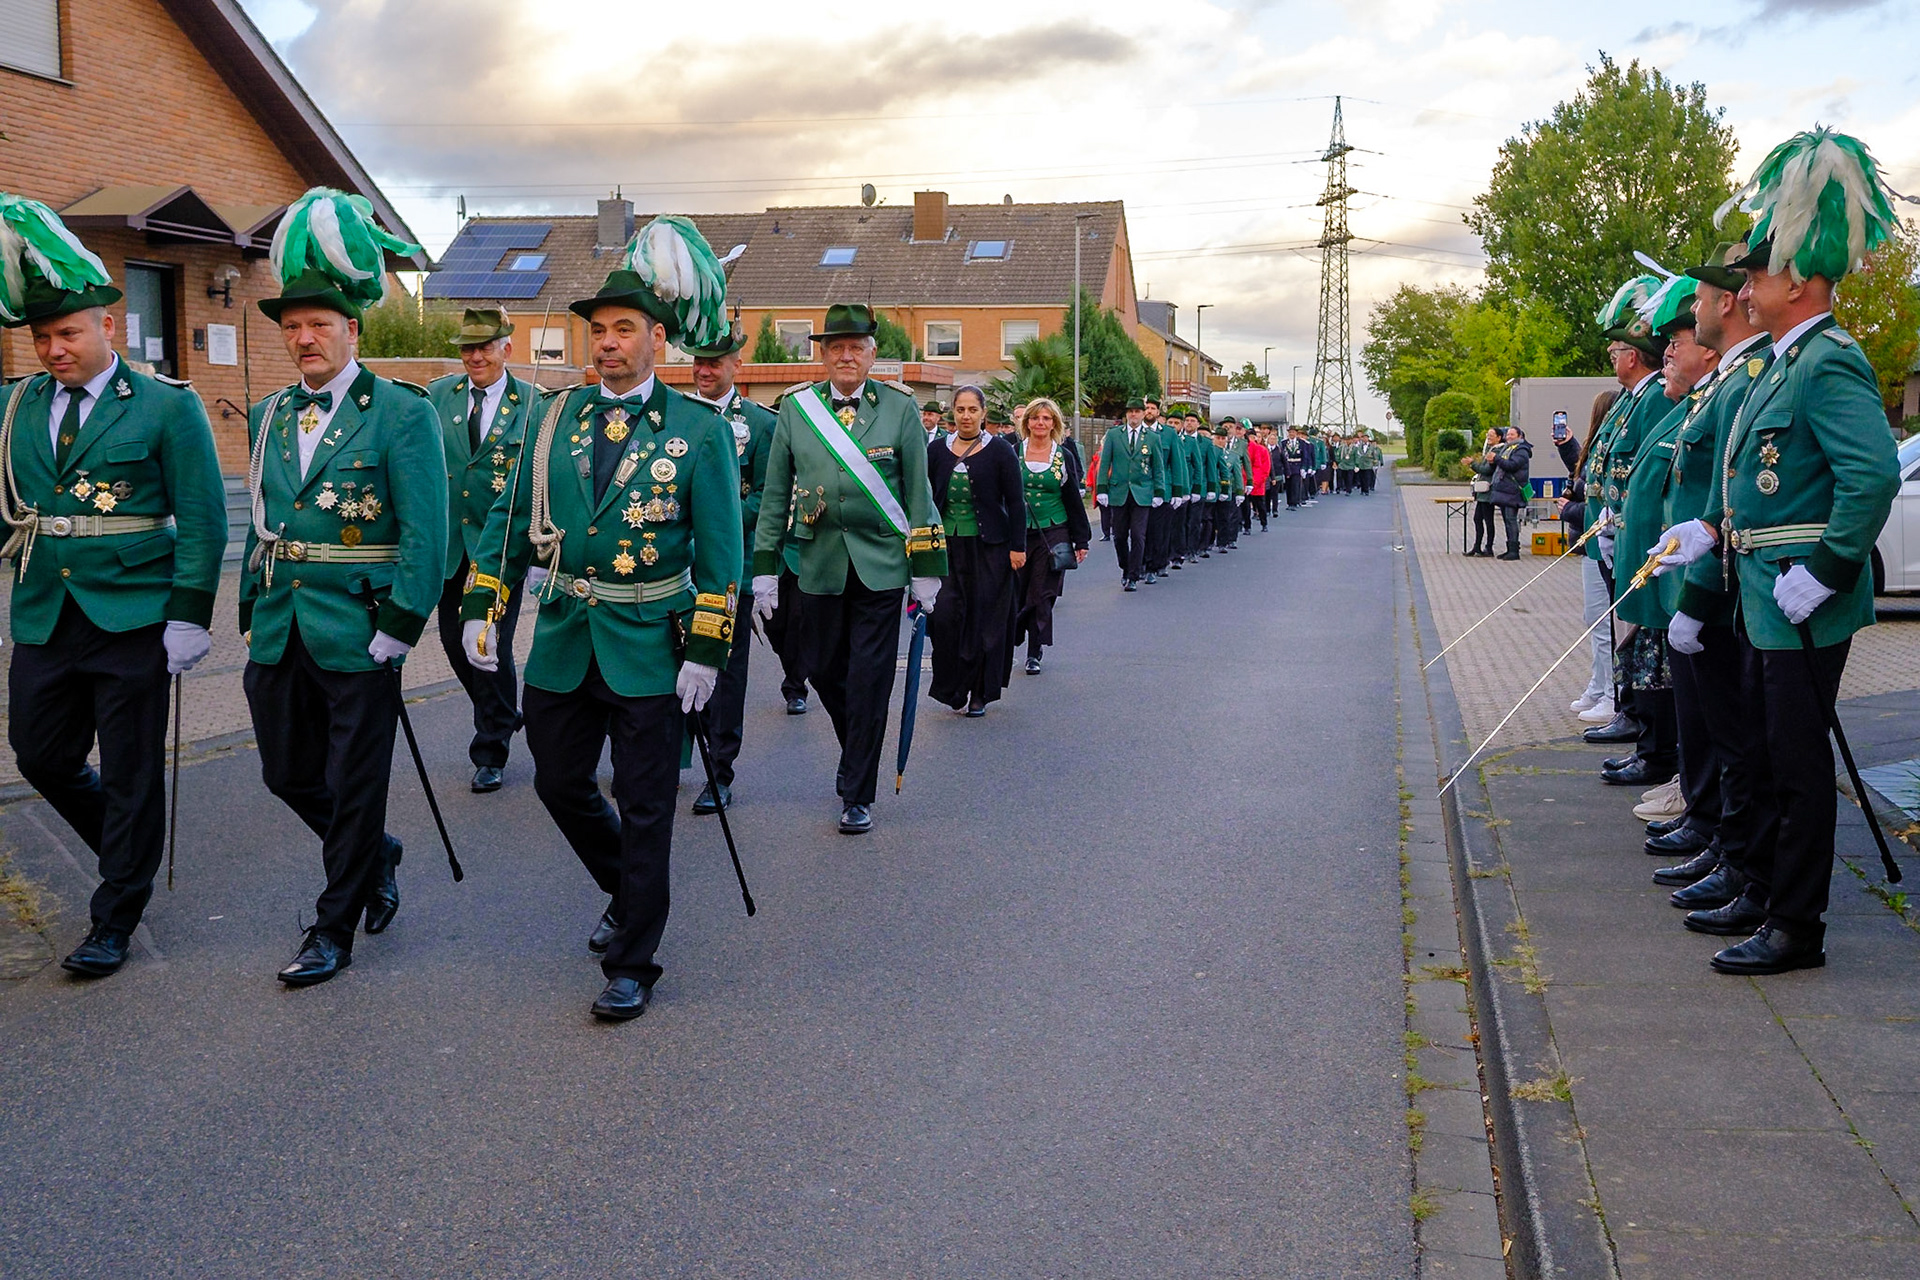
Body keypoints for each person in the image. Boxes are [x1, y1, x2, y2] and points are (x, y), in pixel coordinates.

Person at [462, 216, 741, 1020]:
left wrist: (709, 649)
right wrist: (486, 605)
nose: (609, 343)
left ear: (659, 338)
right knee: (556, 780)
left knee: (649, 801)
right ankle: (627, 886)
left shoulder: (698, 432)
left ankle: (633, 961)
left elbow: (721, 552)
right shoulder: (553, 419)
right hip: (563, 640)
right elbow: (510, 522)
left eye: (625, 330)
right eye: (600, 330)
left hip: (653, 645)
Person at [1655, 128, 1903, 974]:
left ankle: (1798, 925)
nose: (1746, 290)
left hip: (1802, 595)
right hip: (1765, 588)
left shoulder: (1827, 362)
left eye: (1757, 275)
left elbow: (1869, 479)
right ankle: (1764, 891)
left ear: (1796, 281)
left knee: (1796, 765)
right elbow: (1760, 486)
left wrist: (1829, 569)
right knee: (1765, 751)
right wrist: (1713, 531)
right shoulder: (1775, 368)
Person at [0, 195, 227, 979]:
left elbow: (202, 518)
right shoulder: (16, 407)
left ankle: (115, 913)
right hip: (44, 611)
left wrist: (191, 615)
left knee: (133, 770)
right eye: (41, 338)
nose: (52, 350)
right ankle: (127, 851)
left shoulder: (167, 405)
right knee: (38, 754)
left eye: (67, 334)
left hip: (134, 612)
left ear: (111, 326)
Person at [238, 189, 445, 987]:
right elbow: (262, 523)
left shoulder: (398, 412)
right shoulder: (268, 414)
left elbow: (429, 528)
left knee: (355, 785)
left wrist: (402, 621)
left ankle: (333, 929)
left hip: (362, 625)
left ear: (352, 329)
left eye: (319, 324)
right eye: (292, 326)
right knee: (286, 774)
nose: (303, 338)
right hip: (284, 622)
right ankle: (377, 854)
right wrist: (249, 611)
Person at [750, 303, 946, 835]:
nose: (845, 355)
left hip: (881, 564)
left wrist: (926, 566)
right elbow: (774, 496)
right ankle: (854, 751)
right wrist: (764, 567)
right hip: (817, 562)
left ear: (872, 354)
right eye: (835, 347)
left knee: (870, 679)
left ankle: (858, 789)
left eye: (855, 347)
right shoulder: (796, 409)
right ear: (822, 354)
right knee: (825, 673)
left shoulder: (901, 408)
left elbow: (918, 493)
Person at [1646, 242, 1772, 902]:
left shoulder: (1747, 380)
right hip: (1708, 582)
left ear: (1726, 303)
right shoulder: (1722, 388)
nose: (1678, 333)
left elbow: (1725, 498)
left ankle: (1734, 851)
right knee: (1718, 728)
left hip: (1725, 591)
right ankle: (1719, 838)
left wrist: (1697, 595)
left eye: (1692, 309)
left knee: (1738, 736)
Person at [428, 308, 534, 793]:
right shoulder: (436, 397)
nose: (475, 356)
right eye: (467, 348)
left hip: (501, 550)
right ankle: (505, 712)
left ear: (506, 349)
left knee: (490, 644)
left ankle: (490, 749)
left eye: (485, 347)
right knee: (455, 643)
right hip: (451, 547)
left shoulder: (533, 405)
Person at [682, 321, 776, 815]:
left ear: (737, 365)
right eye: (697, 361)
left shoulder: (761, 425)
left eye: (714, 362)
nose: (703, 370)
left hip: (729, 564)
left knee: (724, 667)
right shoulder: (674, 418)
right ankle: (666, 757)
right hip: (672, 563)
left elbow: (769, 495)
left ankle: (720, 771)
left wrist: (713, 511)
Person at [1579, 275, 1669, 750]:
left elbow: (1648, 473)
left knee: (1641, 632)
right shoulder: (1633, 400)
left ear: (1633, 354)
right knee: (1624, 626)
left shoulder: (1652, 398)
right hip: (1614, 532)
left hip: (1634, 535)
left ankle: (1638, 718)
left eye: (1615, 352)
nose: (1611, 360)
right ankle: (1629, 708)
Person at [927, 386, 1023, 716]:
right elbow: (925, 501)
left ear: (983, 413)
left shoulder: (1000, 451)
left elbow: (1014, 501)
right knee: (944, 618)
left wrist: (1017, 547)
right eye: (960, 410)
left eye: (972, 410)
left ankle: (981, 691)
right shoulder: (937, 451)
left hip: (989, 549)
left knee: (985, 621)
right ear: (952, 413)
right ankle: (952, 688)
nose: (966, 416)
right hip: (947, 548)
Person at [1011, 397, 1091, 674]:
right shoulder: (1013, 451)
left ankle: (1034, 650)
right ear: (1027, 422)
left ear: (1054, 423)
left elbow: (1073, 501)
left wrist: (1081, 541)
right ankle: (1018, 627)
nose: (1040, 423)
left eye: (1046, 418)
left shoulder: (1063, 456)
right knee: (1019, 591)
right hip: (1019, 534)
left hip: (1054, 530)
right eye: (1035, 418)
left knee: (1043, 593)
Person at [1563, 389, 1622, 723]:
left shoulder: (1608, 446)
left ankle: (1611, 693)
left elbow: (1598, 495)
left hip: (1604, 541)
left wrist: (1571, 509)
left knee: (1605, 623)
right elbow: (1584, 474)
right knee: (1595, 620)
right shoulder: (1596, 448)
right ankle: (1600, 685)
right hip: (1593, 544)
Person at [1095, 397, 1164, 591]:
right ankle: (1125, 567)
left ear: (1143, 414)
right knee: (1118, 535)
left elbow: (1157, 467)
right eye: (1130, 411)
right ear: (1126, 415)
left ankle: (1134, 575)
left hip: (1142, 492)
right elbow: (1105, 462)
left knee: (1138, 535)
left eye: (1137, 411)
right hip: (1119, 491)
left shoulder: (1152, 437)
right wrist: (1102, 488)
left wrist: (1159, 492)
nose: (1133, 414)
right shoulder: (1114, 434)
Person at [1489, 426, 1533, 560]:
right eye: (1508, 434)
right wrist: (1492, 462)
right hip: (1505, 490)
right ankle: (1509, 549)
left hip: (1513, 490)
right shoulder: (1508, 448)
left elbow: (1512, 465)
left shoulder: (1522, 450)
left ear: (1520, 436)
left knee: (1511, 520)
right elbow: (1501, 465)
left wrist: (1496, 459)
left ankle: (1514, 551)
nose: (1509, 436)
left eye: (1512, 434)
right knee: (1507, 520)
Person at [1467, 428, 1500, 556]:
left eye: (1491, 435)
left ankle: (1489, 547)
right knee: (1477, 518)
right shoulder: (1489, 450)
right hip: (1482, 491)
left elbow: (1486, 470)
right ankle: (1477, 546)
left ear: (1498, 437)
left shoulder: (1496, 452)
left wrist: (1473, 464)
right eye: (1488, 435)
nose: (1488, 437)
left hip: (1488, 490)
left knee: (1488, 520)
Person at [1280, 426, 1310, 510]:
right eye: (1290, 432)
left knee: (1295, 485)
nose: (1291, 434)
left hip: (1297, 465)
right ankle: (1289, 502)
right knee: (1288, 485)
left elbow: (1305, 456)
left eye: (1293, 432)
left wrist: (1304, 467)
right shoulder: (1284, 443)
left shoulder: (1301, 443)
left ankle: (1294, 502)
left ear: (1296, 433)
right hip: (1288, 466)